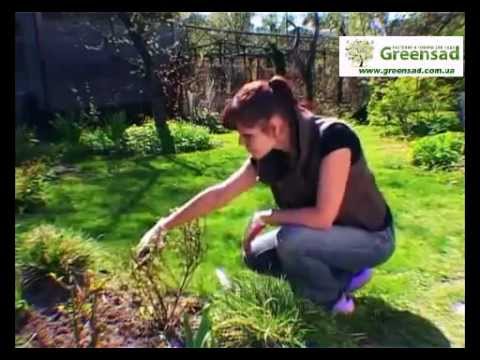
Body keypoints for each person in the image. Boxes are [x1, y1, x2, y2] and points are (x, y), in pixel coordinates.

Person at [136, 75, 395, 314]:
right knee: (256, 255)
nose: (241, 143)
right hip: (327, 236)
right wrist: (162, 227)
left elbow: (323, 217)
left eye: (247, 135)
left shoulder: (335, 138)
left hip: (373, 237)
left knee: (291, 242)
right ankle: (347, 275)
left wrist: (269, 216)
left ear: (274, 126)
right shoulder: (270, 156)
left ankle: (333, 302)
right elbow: (221, 194)